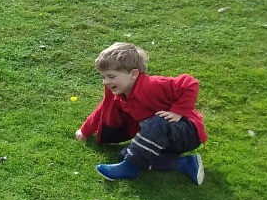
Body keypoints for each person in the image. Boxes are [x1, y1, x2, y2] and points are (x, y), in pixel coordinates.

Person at [75, 42, 206, 184]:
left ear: (133, 74)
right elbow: (103, 108)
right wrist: (85, 131)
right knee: (127, 154)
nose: (106, 81)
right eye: (103, 77)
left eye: (111, 76)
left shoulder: (153, 85)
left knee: (156, 123)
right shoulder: (119, 94)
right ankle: (184, 163)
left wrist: (178, 111)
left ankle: (129, 168)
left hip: (186, 131)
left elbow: (189, 83)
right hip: (160, 139)